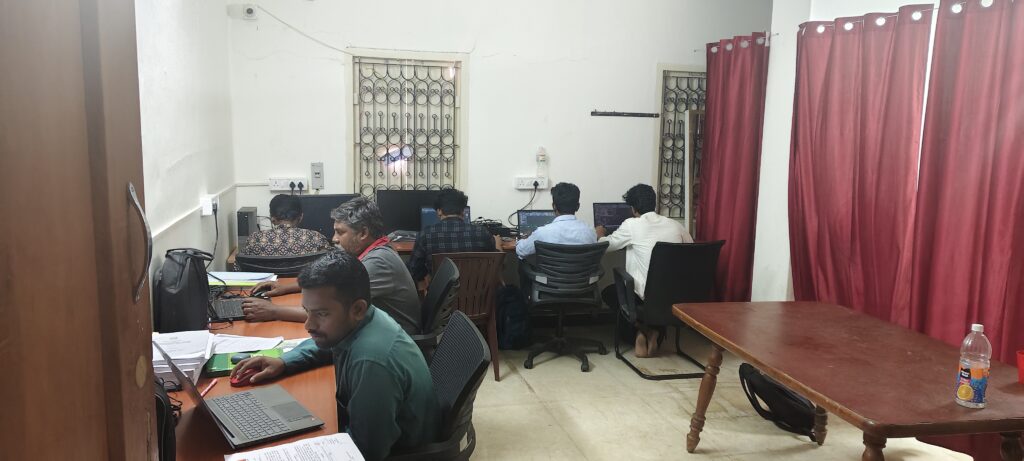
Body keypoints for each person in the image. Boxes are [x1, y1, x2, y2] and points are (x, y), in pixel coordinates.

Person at [231, 251, 440, 461]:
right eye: (307, 311)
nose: (308, 325)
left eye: (321, 314)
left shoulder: (372, 362)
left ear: (357, 309)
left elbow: (367, 452)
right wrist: (283, 362)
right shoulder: (363, 319)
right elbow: (328, 345)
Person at [244, 197, 422, 334]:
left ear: (363, 233)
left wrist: (274, 311)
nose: (334, 238)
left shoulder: (378, 263)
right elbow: (332, 280)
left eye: (340, 232)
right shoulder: (371, 253)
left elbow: (328, 312)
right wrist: (285, 287)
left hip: (392, 341)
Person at [597, 183, 693, 358]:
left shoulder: (632, 225)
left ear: (633, 209)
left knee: (610, 293)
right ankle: (653, 332)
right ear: (654, 204)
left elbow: (605, 246)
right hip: (675, 296)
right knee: (651, 300)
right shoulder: (676, 226)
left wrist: (600, 234)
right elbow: (692, 251)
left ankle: (641, 330)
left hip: (645, 296)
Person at [406, 188, 498, 282]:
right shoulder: (482, 232)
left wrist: (426, 275)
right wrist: (498, 245)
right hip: (477, 290)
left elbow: (414, 270)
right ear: (463, 211)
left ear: (439, 211)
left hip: (442, 291)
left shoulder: (425, 235)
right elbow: (497, 265)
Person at [515, 182, 597, 259]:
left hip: (548, 270)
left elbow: (521, 251)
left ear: (554, 206)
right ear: (578, 206)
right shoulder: (590, 231)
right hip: (582, 270)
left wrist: (524, 239)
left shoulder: (542, 233)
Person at [240, 194, 332, 257]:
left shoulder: (254, 239)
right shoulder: (317, 238)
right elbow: (331, 266)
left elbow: (239, 269)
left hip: (268, 281)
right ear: (301, 217)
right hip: (302, 281)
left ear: (272, 219)